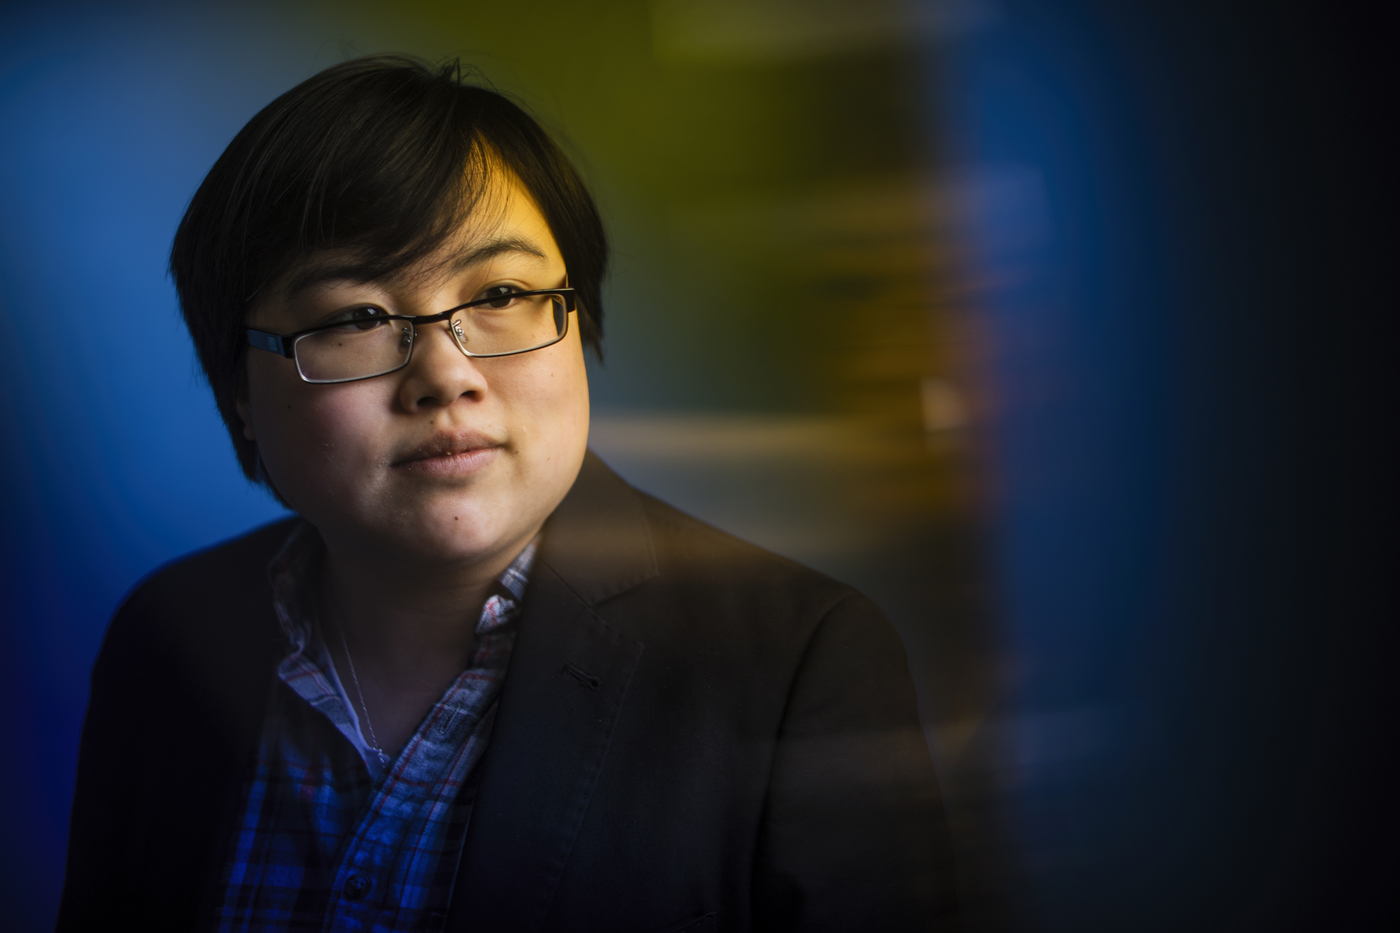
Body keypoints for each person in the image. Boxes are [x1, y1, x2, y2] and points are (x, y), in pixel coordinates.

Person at [57, 56, 957, 932]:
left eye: (501, 292)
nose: (445, 375)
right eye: (356, 317)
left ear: (582, 324)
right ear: (242, 396)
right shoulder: (168, 637)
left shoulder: (802, 662)